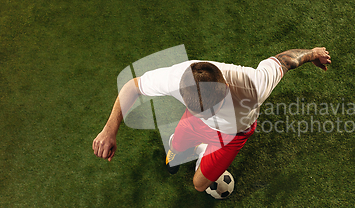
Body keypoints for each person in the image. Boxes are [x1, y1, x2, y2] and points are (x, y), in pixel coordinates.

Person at [92, 47, 331, 192]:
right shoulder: (175, 78)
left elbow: (285, 61)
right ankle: (189, 144)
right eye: (200, 109)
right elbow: (133, 86)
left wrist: (312, 54)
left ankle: (204, 152)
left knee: (198, 185)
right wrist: (109, 130)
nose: (210, 114)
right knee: (173, 154)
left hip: (234, 134)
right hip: (194, 124)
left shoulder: (251, 85)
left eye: (213, 108)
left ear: (225, 87)